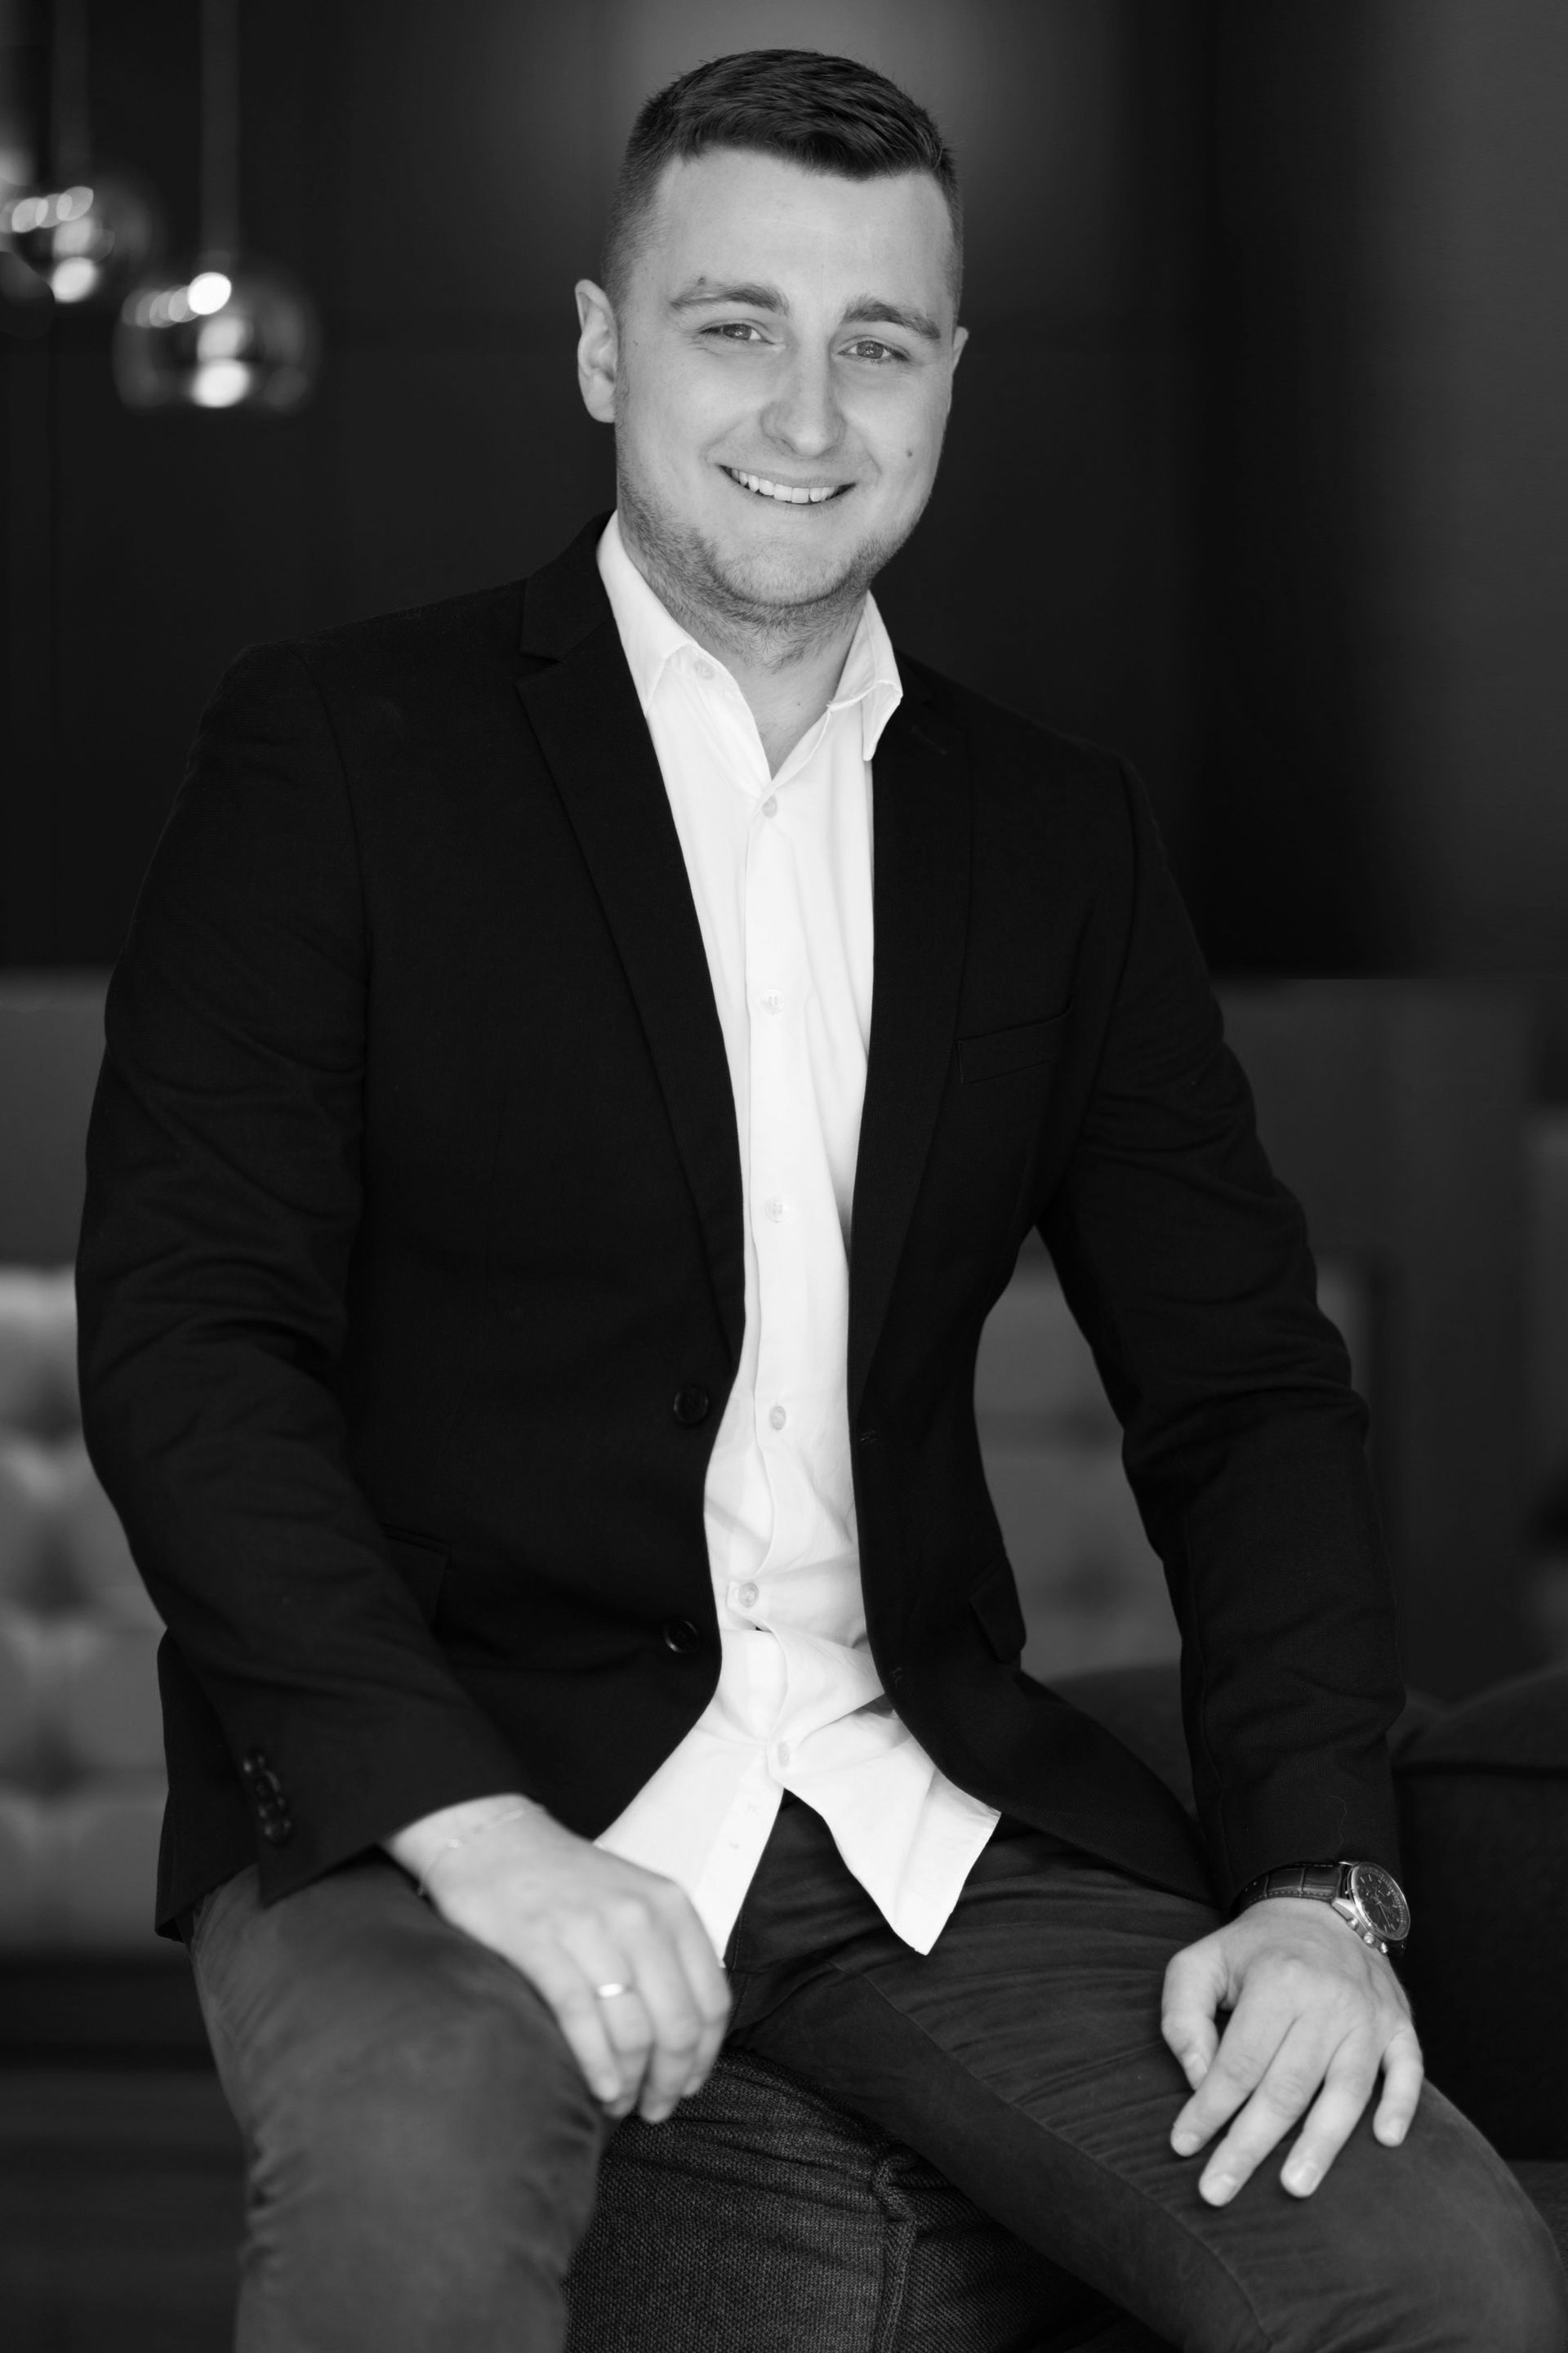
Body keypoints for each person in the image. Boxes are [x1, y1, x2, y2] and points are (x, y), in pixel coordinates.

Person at [77, 46, 1565, 2353]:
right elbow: (193, 1342)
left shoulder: (1055, 838)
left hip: (910, 1801)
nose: (807, 408)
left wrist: (1320, 1889)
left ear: (949, 380)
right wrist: (474, 1832)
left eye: (877, 340)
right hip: (438, 1790)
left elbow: (1248, 1392)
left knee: (1442, 2273)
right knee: (416, 2203)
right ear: (604, 350)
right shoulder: (341, 754)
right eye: (733, 325)